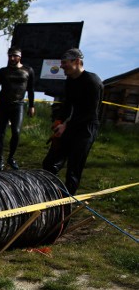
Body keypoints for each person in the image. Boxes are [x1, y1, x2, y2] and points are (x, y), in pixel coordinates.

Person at [42, 48, 103, 195]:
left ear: (76, 61)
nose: (61, 66)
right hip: (72, 124)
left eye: (64, 63)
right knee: (49, 163)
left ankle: (66, 204)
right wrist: (59, 120)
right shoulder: (70, 81)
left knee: (73, 169)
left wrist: (66, 125)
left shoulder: (92, 81)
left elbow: (90, 113)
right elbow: (67, 105)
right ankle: (50, 194)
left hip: (87, 128)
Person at [0, 46, 36, 170]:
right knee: (0, 133)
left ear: (20, 57)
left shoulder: (28, 70)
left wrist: (31, 106)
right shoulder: (3, 71)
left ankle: (11, 157)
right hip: (3, 105)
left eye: (14, 55)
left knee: (16, 132)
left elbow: (31, 90)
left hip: (18, 105)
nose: (11, 58)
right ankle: (0, 160)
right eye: (10, 55)